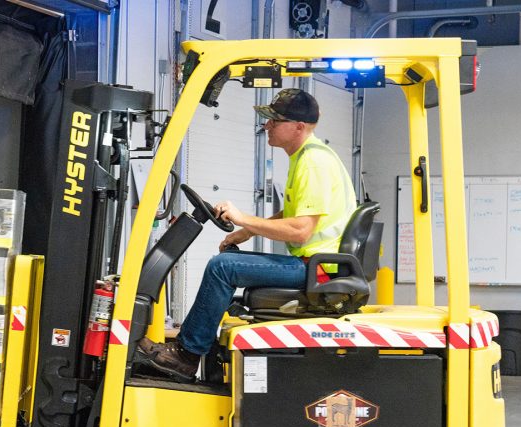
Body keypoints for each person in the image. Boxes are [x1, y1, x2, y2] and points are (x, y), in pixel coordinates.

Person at [137, 88, 357, 382]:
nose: (267, 125)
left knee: (222, 268)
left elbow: (301, 230)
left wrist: (243, 217)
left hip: (318, 270)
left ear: (298, 127)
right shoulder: (305, 157)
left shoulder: (313, 163)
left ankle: (187, 356)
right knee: (228, 260)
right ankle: (196, 346)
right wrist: (243, 231)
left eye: (274, 120)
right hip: (315, 265)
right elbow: (293, 213)